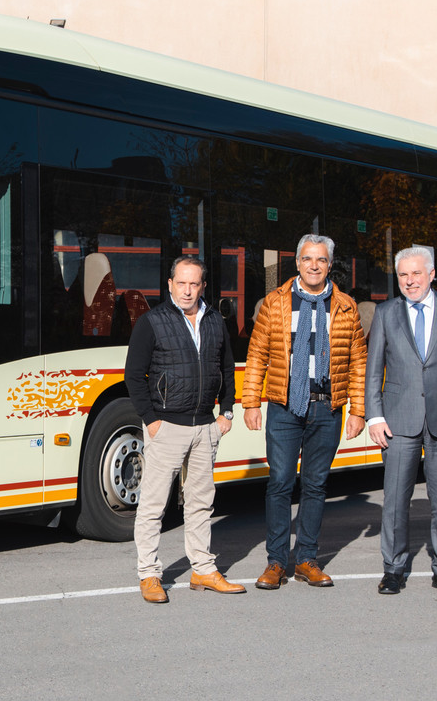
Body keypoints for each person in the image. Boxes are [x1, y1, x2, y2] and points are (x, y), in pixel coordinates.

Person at [243, 234, 367, 590]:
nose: (314, 265)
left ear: (330, 265)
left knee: (315, 485)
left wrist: (357, 410)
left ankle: (307, 559)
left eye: (322, 260)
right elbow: (257, 355)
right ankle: (277, 561)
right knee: (280, 483)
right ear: (297, 263)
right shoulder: (275, 302)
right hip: (284, 407)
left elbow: (358, 361)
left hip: (327, 406)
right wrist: (251, 402)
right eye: (308, 259)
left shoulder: (345, 306)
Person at [124, 255, 244, 603]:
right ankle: (149, 574)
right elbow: (134, 375)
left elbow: (227, 366)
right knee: (153, 504)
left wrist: (227, 412)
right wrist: (152, 420)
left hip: (206, 426)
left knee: (201, 502)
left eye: (195, 284)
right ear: (170, 285)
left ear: (202, 286)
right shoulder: (152, 321)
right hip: (167, 426)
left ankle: (203, 569)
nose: (188, 290)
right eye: (182, 283)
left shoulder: (214, 321)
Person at [365, 246, 437, 595]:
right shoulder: (386, 313)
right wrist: (375, 415)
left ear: (431, 275)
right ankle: (394, 568)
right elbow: (374, 372)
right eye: (403, 275)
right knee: (396, 500)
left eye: (416, 273)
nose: (410, 281)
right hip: (398, 420)